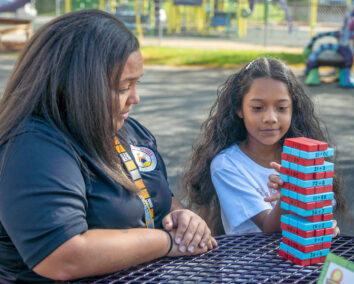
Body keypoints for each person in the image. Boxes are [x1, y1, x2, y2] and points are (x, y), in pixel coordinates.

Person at [0, 10, 217, 283]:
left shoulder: (128, 130)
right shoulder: (33, 146)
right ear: (78, 85)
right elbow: (62, 255)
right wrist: (166, 242)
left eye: (136, 84)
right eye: (124, 87)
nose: (135, 99)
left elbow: (157, 195)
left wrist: (182, 218)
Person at [182, 57, 346, 236]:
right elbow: (269, 228)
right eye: (258, 108)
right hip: (250, 262)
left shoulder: (306, 158)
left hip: (304, 262)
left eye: (282, 108)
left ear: (294, 109)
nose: (270, 118)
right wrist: (290, 197)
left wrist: (324, 229)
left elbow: (319, 214)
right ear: (239, 109)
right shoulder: (227, 165)